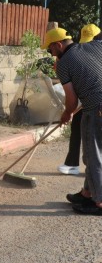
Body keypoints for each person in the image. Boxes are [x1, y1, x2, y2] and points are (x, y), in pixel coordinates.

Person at [42, 27, 102, 215]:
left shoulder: (64, 63)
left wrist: (67, 113)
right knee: (95, 153)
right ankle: (87, 193)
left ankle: (99, 201)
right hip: (96, 104)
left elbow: (72, 100)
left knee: (93, 157)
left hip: (96, 110)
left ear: (58, 45)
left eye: (50, 50)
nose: (51, 54)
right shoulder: (93, 46)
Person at [57, 23, 101, 175]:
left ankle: (94, 192)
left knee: (93, 148)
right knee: (78, 125)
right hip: (89, 99)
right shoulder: (82, 52)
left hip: (95, 100)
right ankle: (73, 164)